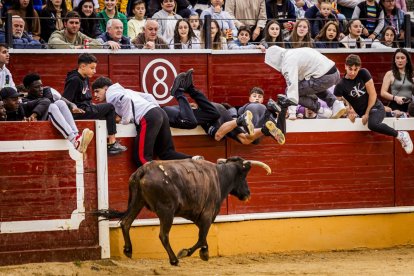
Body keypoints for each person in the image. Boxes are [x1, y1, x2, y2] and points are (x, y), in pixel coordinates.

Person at [92, 76, 192, 168]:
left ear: (106, 88)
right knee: (166, 153)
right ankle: (194, 160)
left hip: (149, 116)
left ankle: (157, 183)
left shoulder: (110, 93)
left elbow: (126, 100)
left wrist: (125, 121)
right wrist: (156, 111)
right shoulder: (125, 90)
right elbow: (149, 96)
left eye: (97, 91)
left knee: (141, 158)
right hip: (160, 113)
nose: (95, 95)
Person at [334, 54, 413, 155]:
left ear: (359, 68)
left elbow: (373, 94)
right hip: (362, 112)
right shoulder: (340, 86)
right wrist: (350, 111)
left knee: (372, 124)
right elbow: (342, 101)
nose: (353, 72)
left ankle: (401, 135)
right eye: (350, 69)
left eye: (356, 69)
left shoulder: (363, 73)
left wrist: (366, 114)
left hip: (376, 106)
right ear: (345, 66)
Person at [63, 53, 127, 155]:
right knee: (110, 107)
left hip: (85, 108)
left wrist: (90, 104)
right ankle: (112, 143)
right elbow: (64, 100)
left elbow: (84, 98)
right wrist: (74, 108)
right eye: (92, 68)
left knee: (106, 109)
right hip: (79, 111)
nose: (94, 71)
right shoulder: (74, 80)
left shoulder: (85, 78)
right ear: (83, 66)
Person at [265, 46, 346, 120]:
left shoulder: (287, 62)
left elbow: (292, 87)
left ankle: (321, 111)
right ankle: (336, 104)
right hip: (334, 73)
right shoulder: (294, 52)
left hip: (323, 77)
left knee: (289, 91)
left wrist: (292, 113)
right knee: (312, 86)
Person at [22, 73, 94, 154]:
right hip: (38, 127)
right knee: (52, 106)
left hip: (53, 121)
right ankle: (74, 141)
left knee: (60, 102)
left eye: (41, 86)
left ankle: (77, 137)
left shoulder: (48, 91)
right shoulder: (24, 101)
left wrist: (73, 107)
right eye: (36, 87)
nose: (40, 89)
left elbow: (68, 102)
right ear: (27, 88)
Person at [380, 48, 413, 114]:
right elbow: (383, 93)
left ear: (407, 60)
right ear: (394, 60)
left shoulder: (412, 74)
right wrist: (395, 98)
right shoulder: (390, 74)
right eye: (397, 58)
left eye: (402, 58)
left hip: (410, 107)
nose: (400, 60)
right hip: (396, 106)